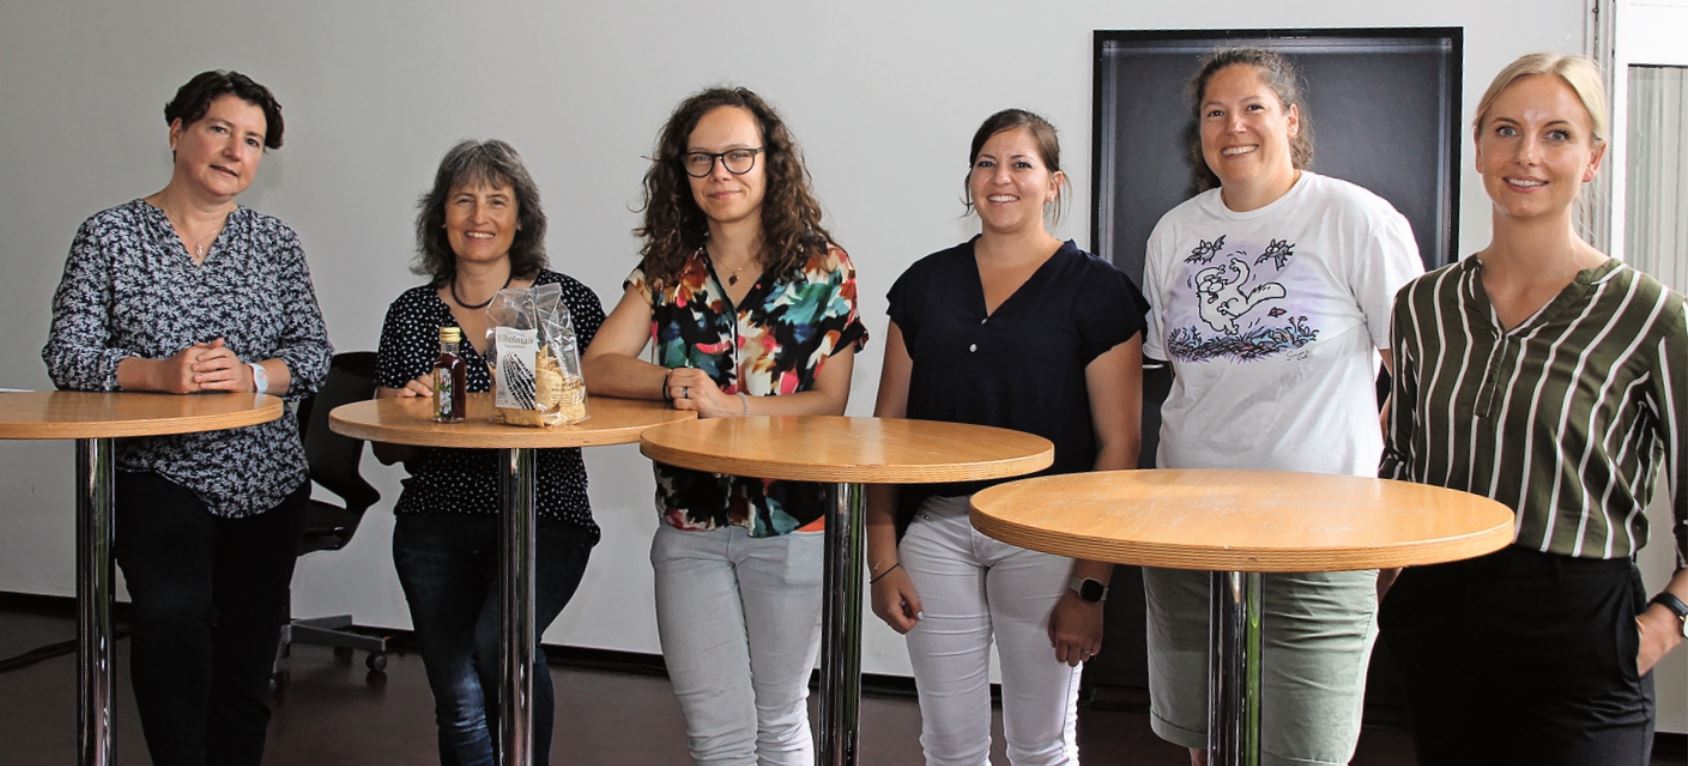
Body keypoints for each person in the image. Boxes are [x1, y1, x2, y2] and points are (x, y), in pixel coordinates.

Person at [1378, 52, 1687, 765]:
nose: (1528, 155)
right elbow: (1405, 461)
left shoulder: (1649, 317)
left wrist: (1664, 624)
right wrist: (1389, 592)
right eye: (1507, 130)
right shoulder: (1423, 304)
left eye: (1557, 135)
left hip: (1580, 631)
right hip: (1440, 620)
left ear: (1594, 159)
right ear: (1479, 145)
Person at [1138, 48, 1424, 765]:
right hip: (1187, 526)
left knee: (1304, 749)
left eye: (1253, 107)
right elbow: (1173, 372)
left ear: (1290, 120)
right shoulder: (1175, 232)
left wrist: (1378, 508)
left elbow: (1416, 378)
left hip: (1319, 536)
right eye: (1214, 112)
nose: (1233, 126)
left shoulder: (1354, 217)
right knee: (1205, 740)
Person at [40, 70, 330, 766]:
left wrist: (254, 375)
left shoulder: (275, 242)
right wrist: (156, 375)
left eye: (253, 141)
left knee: (247, 650)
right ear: (177, 133)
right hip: (155, 471)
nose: (235, 151)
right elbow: (67, 352)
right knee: (172, 622)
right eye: (219, 129)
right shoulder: (109, 236)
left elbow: (313, 355)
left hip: (267, 479)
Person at [580, 86, 866, 764]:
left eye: (738, 156)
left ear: (771, 163)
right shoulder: (668, 267)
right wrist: (671, 382)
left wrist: (734, 406)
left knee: (779, 720)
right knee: (716, 734)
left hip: (795, 523)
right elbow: (597, 365)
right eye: (702, 160)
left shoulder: (825, 267)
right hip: (691, 527)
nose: (720, 175)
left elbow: (828, 403)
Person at [866, 108, 1145, 765]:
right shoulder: (923, 285)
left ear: (1054, 183)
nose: (1002, 178)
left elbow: (1119, 450)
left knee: (1041, 745)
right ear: (970, 181)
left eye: (1022, 164)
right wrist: (883, 558)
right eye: (987, 163)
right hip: (936, 533)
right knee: (948, 745)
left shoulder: (1098, 291)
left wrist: (1089, 588)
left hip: (1042, 532)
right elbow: (887, 434)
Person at [373, 139, 606, 766]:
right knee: (456, 693)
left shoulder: (564, 302)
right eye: (464, 200)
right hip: (434, 517)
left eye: (497, 201)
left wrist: (548, 388)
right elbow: (387, 448)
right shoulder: (412, 312)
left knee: (500, 647)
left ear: (521, 218)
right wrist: (406, 408)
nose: (480, 216)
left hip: (542, 513)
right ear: (440, 217)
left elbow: (599, 410)